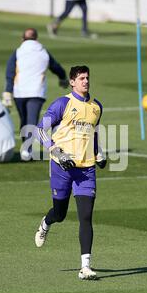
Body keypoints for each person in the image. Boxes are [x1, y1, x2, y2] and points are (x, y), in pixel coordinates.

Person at [34, 65, 107, 280]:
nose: (86, 81)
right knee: (60, 214)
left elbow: (92, 134)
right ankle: (46, 223)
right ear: (72, 82)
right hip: (61, 167)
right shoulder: (62, 104)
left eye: (87, 78)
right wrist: (54, 150)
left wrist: (99, 154)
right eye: (81, 78)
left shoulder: (96, 107)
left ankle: (85, 266)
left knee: (86, 216)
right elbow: (39, 129)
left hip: (86, 171)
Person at [3, 28, 68, 161]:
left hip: (19, 91)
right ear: (37, 38)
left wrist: (7, 91)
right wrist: (63, 78)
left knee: (25, 120)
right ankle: (27, 149)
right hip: (37, 91)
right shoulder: (43, 52)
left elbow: (10, 72)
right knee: (31, 120)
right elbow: (56, 67)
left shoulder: (18, 52)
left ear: (22, 39)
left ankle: (26, 149)